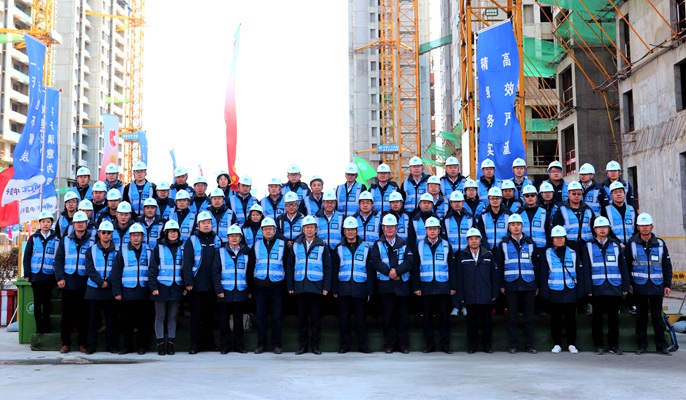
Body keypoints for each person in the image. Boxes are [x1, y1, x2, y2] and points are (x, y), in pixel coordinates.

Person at [625, 213, 673, 356]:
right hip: (639, 286)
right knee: (641, 317)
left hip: (657, 286)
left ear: (652, 226)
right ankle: (641, 345)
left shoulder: (660, 243)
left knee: (657, 317)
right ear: (637, 227)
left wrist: (667, 284)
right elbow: (626, 266)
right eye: (642, 226)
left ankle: (661, 345)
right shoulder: (631, 244)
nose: (645, 228)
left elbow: (667, 265)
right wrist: (629, 284)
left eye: (647, 225)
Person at [582, 217, 629, 356]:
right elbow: (586, 269)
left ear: (609, 229)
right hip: (597, 288)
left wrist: (625, 286)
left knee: (614, 319)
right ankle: (598, 345)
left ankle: (614, 345)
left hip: (614, 287)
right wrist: (588, 288)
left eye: (605, 227)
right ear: (594, 229)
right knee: (597, 319)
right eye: (599, 227)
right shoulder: (588, 246)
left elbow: (623, 267)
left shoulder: (616, 245)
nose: (602, 230)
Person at [369, 214, 414, 354]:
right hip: (386, 286)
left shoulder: (404, 244)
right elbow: (375, 261)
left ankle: (403, 344)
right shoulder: (377, 244)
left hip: (402, 285)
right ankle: (389, 344)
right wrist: (389, 272)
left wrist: (397, 271)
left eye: (392, 226)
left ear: (396, 228)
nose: (389, 229)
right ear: (383, 228)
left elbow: (409, 261)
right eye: (387, 226)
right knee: (387, 317)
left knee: (403, 317)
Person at [287, 215, 332, 355]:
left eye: (312, 227)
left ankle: (315, 346)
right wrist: (290, 286)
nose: (309, 229)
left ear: (316, 229)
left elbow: (328, 267)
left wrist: (326, 287)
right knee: (301, 319)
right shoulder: (296, 245)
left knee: (316, 319)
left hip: (316, 286)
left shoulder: (322, 245)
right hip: (300, 286)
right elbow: (290, 266)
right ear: (303, 229)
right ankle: (303, 346)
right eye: (307, 227)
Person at [495, 214, 540, 354]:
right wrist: (501, 284)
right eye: (513, 225)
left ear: (522, 226)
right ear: (509, 227)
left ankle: (529, 345)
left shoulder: (531, 243)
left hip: (528, 284)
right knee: (512, 318)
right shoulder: (503, 244)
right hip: (511, 284)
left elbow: (537, 265)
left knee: (529, 318)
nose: (516, 227)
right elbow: (499, 266)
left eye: (518, 224)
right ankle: (513, 345)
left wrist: (537, 284)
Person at [413, 217, 457, 354]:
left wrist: (453, 286)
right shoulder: (419, 245)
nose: (432, 231)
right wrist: (416, 287)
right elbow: (415, 267)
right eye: (430, 229)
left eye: (435, 229)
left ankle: (445, 345)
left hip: (443, 287)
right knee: (427, 319)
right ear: (426, 230)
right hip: (426, 287)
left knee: (444, 318)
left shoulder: (446, 245)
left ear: (439, 230)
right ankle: (429, 345)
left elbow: (452, 267)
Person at [332, 217, 374, 354]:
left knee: (361, 319)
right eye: (348, 229)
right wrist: (335, 288)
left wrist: (369, 290)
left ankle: (362, 345)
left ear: (357, 230)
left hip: (360, 287)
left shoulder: (366, 247)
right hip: (343, 288)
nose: (350, 232)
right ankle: (345, 345)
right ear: (344, 231)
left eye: (353, 229)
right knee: (344, 319)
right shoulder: (338, 248)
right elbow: (334, 269)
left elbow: (369, 270)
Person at [54, 211, 94, 354]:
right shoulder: (65, 240)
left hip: (85, 281)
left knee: (84, 314)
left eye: (82, 222)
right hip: (68, 282)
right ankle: (65, 343)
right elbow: (58, 260)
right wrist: (60, 277)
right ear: (74, 224)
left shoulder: (92, 241)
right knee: (67, 315)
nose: (80, 225)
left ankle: (82, 343)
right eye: (77, 222)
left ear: (86, 224)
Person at [540, 226, 585, 354]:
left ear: (565, 238)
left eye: (561, 237)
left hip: (570, 290)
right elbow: (543, 274)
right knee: (556, 320)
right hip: (554, 291)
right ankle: (557, 344)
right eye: (556, 238)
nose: (559, 240)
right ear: (552, 239)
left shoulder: (573, 253)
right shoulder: (547, 254)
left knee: (571, 320)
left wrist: (580, 291)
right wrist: (545, 292)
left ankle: (571, 344)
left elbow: (579, 273)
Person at [183, 210, 221, 354]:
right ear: (198, 225)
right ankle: (195, 345)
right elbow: (187, 262)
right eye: (203, 223)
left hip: (212, 285)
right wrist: (188, 282)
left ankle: (209, 344)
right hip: (197, 285)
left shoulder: (216, 239)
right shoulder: (192, 240)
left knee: (209, 317)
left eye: (209, 223)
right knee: (196, 317)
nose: (206, 225)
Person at [110, 223, 152, 355]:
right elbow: (116, 272)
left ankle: (141, 346)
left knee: (143, 322)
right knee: (127, 322)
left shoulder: (149, 251)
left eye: (138, 235)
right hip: (127, 292)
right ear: (130, 237)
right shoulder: (122, 251)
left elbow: (153, 271)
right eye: (133, 235)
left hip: (144, 291)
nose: (136, 238)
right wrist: (117, 291)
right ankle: (127, 346)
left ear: (142, 236)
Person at [456, 228, 499, 354]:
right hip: (470, 295)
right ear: (467, 241)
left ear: (480, 240)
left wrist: (494, 293)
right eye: (471, 239)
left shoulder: (488, 255)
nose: (474, 241)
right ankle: (472, 346)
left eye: (476, 238)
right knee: (471, 323)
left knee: (487, 323)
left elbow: (494, 276)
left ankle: (487, 346)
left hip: (486, 295)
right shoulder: (462, 256)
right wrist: (461, 295)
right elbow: (459, 277)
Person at [249, 217, 287, 354]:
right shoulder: (256, 245)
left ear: (275, 230)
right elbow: (251, 266)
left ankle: (276, 345)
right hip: (260, 286)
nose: (268, 231)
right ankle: (261, 344)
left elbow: (287, 265)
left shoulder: (283, 244)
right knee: (261, 317)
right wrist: (251, 287)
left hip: (277, 286)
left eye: (270, 229)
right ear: (262, 231)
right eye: (265, 229)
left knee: (276, 317)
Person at [148, 220, 185, 356]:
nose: (173, 234)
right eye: (170, 231)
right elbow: (152, 269)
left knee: (172, 317)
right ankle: (160, 344)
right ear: (166, 233)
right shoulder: (158, 248)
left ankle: (171, 344)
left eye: (175, 231)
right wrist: (153, 286)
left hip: (176, 287)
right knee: (160, 316)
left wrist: (184, 286)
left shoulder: (182, 248)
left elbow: (184, 269)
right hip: (161, 287)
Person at [214, 224, 251, 354]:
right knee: (224, 321)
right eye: (231, 236)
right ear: (227, 238)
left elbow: (249, 272)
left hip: (240, 290)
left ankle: (239, 346)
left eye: (237, 236)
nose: (234, 238)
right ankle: (225, 346)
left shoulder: (246, 252)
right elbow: (215, 272)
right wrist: (219, 290)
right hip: (225, 291)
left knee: (238, 321)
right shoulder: (220, 252)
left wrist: (249, 290)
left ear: (241, 238)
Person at [84, 220, 119, 354]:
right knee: (92, 320)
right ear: (99, 234)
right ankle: (91, 346)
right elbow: (90, 269)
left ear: (112, 234)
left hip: (110, 290)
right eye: (103, 232)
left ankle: (111, 346)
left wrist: (108, 282)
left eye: (108, 233)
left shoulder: (117, 250)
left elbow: (117, 268)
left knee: (111, 320)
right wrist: (100, 282)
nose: (106, 235)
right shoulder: (91, 250)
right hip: (94, 290)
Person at [22, 211, 58, 335]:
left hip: (49, 275)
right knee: (37, 302)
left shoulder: (56, 239)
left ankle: (46, 325)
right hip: (36, 275)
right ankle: (39, 327)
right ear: (39, 223)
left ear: (51, 223)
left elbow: (59, 258)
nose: (45, 224)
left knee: (47, 302)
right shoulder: (33, 238)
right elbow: (27, 257)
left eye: (48, 221)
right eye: (43, 221)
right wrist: (27, 274)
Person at [442, 190, 473, 317]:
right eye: (454, 202)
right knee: (454, 280)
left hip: (466, 254)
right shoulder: (446, 219)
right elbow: (444, 238)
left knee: (466, 280)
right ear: (450, 203)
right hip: (452, 254)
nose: (457, 204)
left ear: (463, 202)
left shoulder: (470, 218)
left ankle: (465, 305)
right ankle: (455, 305)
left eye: (459, 201)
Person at [553, 181, 595, 252]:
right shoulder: (561, 210)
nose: (576, 196)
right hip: (568, 246)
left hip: (586, 246)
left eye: (579, 194)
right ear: (568, 194)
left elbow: (594, 228)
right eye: (574, 194)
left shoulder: (588, 209)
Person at [601, 181, 636, 245]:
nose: (618, 194)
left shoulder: (632, 209)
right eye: (615, 192)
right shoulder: (606, 210)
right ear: (611, 195)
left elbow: (636, 228)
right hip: (613, 245)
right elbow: (607, 230)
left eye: (620, 192)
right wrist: (618, 243)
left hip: (631, 244)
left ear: (624, 194)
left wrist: (631, 243)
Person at [516, 185, 550, 251]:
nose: (530, 197)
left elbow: (548, 232)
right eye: (527, 196)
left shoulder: (544, 212)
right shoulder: (519, 214)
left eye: (532, 195)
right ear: (523, 198)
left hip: (540, 249)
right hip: (524, 248)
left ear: (536, 197)